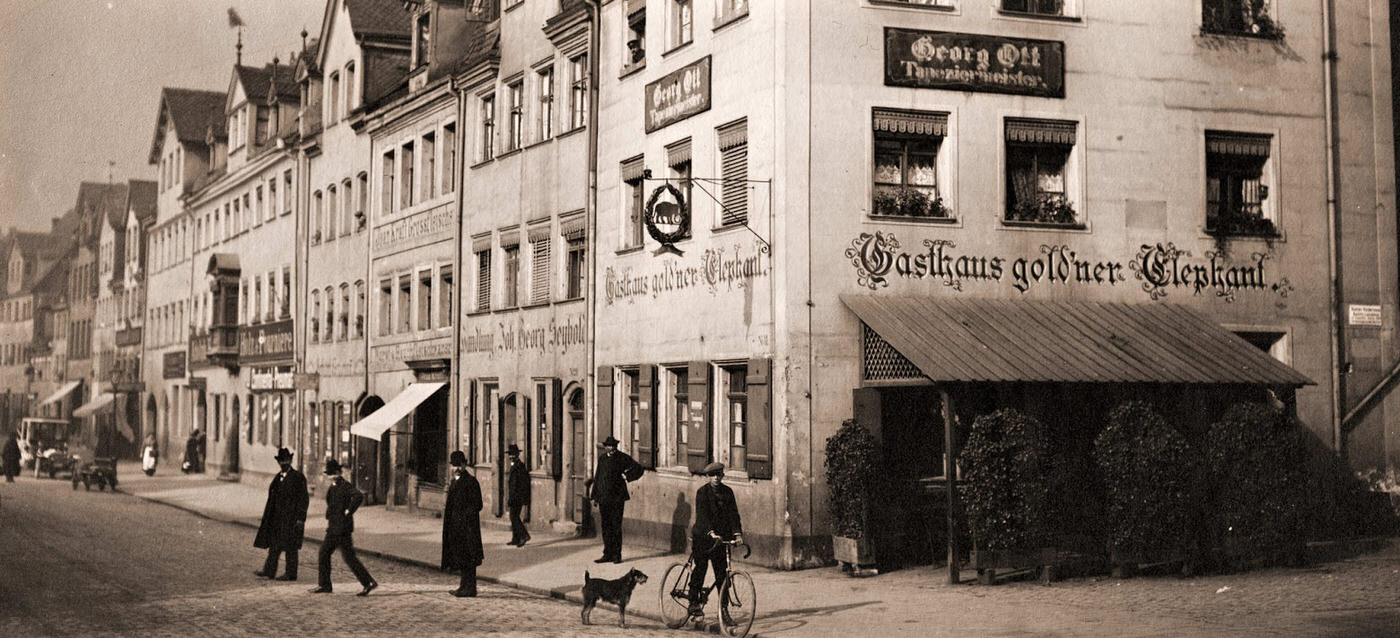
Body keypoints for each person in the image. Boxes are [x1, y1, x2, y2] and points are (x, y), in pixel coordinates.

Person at [310, 459, 377, 596]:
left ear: (338, 473)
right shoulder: (334, 486)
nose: (330, 476)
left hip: (341, 528)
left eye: (333, 474)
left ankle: (367, 582)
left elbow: (358, 496)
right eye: (329, 474)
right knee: (336, 555)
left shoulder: (344, 485)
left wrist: (349, 510)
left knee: (334, 555)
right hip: (335, 527)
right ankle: (327, 585)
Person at [688, 462, 744, 616]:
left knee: (722, 575)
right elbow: (702, 516)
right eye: (713, 475)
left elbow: (734, 514)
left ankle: (724, 611)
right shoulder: (702, 493)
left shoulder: (728, 492)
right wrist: (711, 532)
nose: (716, 478)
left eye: (719, 475)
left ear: (722, 476)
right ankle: (693, 603)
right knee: (701, 568)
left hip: (720, 539)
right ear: (708, 477)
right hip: (703, 537)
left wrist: (737, 534)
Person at [253, 448, 309, 581]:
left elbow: (304, 499)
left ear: (290, 461)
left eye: (286, 460)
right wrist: (268, 516)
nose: (283, 463)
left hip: (291, 518)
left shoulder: (298, 477)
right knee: (274, 546)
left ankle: (291, 574)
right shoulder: (278, 478)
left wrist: (301, 518)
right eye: (281, 461)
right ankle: (269, 571)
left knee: (291, 547)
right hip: (277, 518)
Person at [587, 435, 643, 564]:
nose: (611, 448)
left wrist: (627, 476)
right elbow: (598, 478)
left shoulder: (622, 458)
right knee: (606, 527)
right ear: (605, 447)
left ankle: (617, 554)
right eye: (609, 446)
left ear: (616, 447)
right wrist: (595, 497)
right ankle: (607, 553)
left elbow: (639, 468)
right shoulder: (602, 459)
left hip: (617, 499)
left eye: (613, 446)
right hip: (603, 498)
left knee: (616, 526)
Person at [441, 450, 483, 597]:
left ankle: (470, 588)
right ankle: (463, 586)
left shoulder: (471, 481)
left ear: (465, 465)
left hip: (468, 528)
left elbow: (478, 505)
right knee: (461, 557)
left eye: (459, 465)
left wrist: (464, 517)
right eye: (454, 465)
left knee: (469, 558)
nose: (457, 468)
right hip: (456, 528)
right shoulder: (454, 482)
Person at [506, 444, 531, 547]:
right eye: (510, 455)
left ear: (517, 455)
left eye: (513, 455)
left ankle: (524, 535)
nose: (511, 457)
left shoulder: (519, 467)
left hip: (517, 496)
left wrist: (521, 497)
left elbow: (522, 484)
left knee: (514, 517)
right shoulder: (514, 466)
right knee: (513, 517)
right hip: (514, 495)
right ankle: (515, 538)